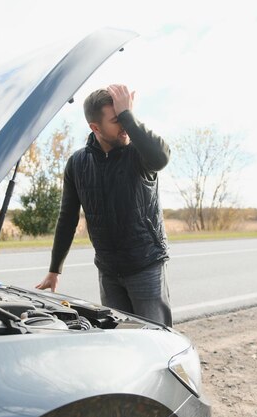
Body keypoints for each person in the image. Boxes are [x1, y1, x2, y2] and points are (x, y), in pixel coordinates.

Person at [36, 84, 172, 326]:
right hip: (108, 272)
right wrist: (54, 269)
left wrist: (128, 116)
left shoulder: (139, 153)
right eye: (117, 120)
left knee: (157, 340)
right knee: (119, 342)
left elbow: (161, 157)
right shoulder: (78, 163)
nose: (124, 126)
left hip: (145, 266)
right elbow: (67, 218)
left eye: (125, 117)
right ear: (95, 127)